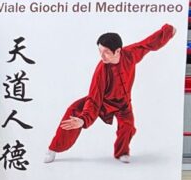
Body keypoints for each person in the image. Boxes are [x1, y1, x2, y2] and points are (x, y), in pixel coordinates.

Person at [44, 24, 176, 164]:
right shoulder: (101, 71)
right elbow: (94, 100)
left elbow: (147, 44)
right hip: (102, 102)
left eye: (106, 52)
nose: (102, 56)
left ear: (118, 51)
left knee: (128, 126)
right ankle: (53, 149)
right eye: (100, 51)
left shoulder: (130, 54)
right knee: (73, 111)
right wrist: (83, 120)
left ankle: (122, 152)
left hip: (123, 104)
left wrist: (168, 32)